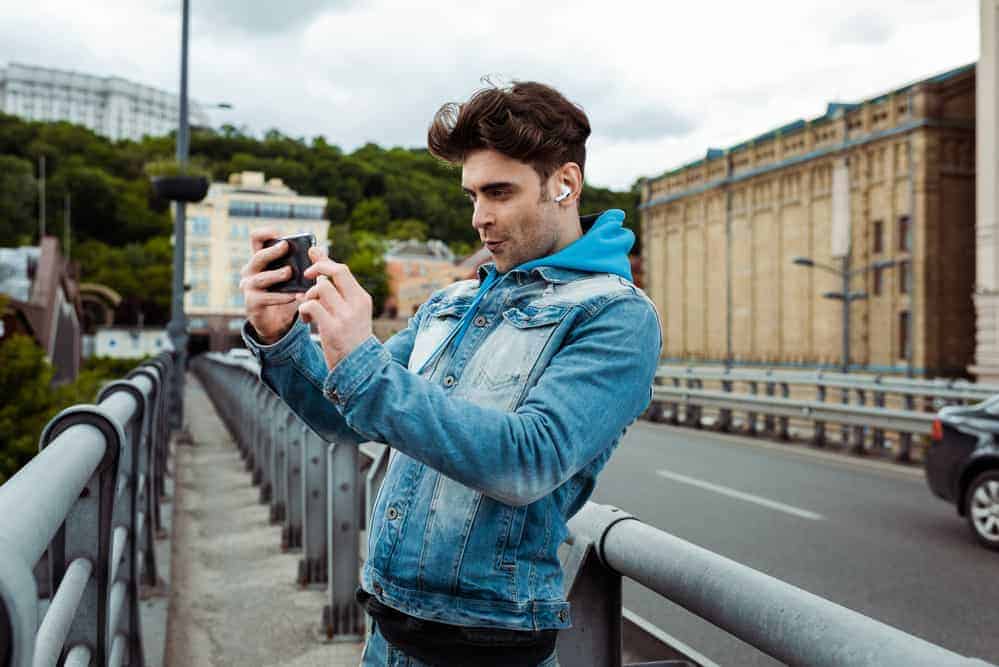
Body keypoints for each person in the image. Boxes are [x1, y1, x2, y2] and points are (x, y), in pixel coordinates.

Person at [239, 81, 662, 667]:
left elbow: (526, 461)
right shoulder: (453, 301)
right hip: (387, 634)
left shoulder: (617, 315)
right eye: (471, 196)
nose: (479, 218)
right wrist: (280, 335)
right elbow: (346, 417)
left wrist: (361, 355)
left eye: (499, 192)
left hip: (490, 650)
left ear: (565, 183)